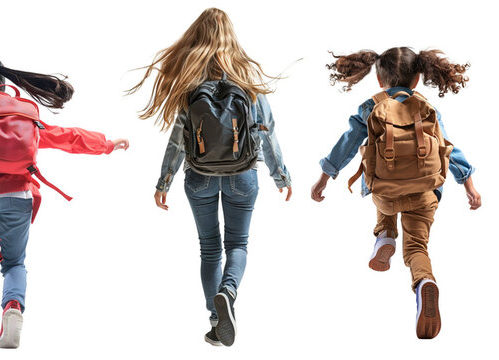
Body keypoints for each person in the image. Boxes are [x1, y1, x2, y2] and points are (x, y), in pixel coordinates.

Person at [0, 56, 129, 348]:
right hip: (18, 193)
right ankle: (12, 309)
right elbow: (65, 136)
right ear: (3, 82)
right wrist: (105, 144)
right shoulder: (24, 113)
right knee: (15, 262)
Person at [128, 8, 292, 346]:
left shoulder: (189, 84)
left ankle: (218, 320)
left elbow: (177, 137)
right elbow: (266, 133)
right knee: (238, 244)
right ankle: (228, 295)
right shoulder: (247, 78)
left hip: (198, 177)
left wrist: (164, 181)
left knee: (209, 249)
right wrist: (281, 176)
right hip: (243, 176)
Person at [310, 47, 482, 339]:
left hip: (385, 195)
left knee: (381, 185)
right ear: (417, 79)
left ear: (379, 79)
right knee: (416, 248)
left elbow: (348, 144)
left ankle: (385, 234)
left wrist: (324, 177)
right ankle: (424, 282)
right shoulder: (426, 107)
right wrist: (468, 184)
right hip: (425, 193)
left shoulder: (371, 106)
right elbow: (448, 147)